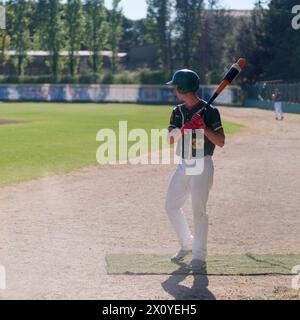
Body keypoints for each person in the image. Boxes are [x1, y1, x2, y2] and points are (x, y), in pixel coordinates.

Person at [165, 69, 225, 271]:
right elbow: (170, 139)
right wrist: (185, 128)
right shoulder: (178, 112)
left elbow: (221, 141)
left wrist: (203, 128)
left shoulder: (210, 111)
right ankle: (187, 244)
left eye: (175, 86)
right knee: (171, 205)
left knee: (198, 211)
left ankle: (199, 255)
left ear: (182, 88)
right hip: (184, 163)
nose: (173, 89)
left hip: (202, 163)